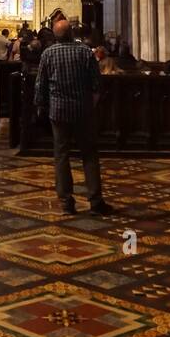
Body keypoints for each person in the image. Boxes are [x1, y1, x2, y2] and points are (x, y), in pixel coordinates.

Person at [35, 17, 112, 216]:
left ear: (55, 36)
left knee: (61, 156)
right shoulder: (85, 52)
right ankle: (96, 201)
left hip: (58, 112)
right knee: (89, 155)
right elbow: (97, 85)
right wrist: (90, 106)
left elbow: (40, 85)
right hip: (83, 111)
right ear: (72, 34)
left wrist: (40, 107)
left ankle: (67, 202)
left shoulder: (48, 53)